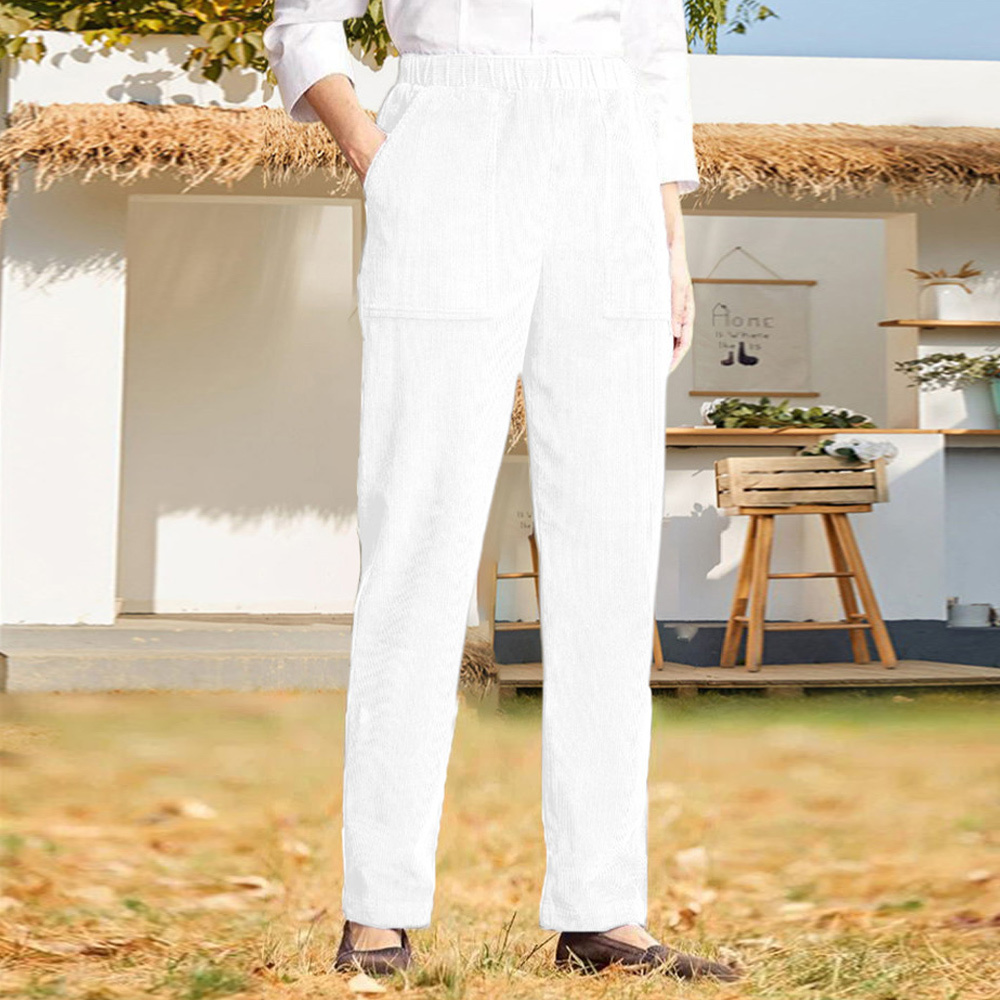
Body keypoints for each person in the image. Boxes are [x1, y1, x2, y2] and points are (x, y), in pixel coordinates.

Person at [263, 0, 739, 982]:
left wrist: (670, 243)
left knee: (609, 547)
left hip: (612, 164)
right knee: (417, 535)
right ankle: (378, 906)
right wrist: (376, 154)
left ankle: (603, 911)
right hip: (448, 132)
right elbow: (303, 18)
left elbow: (654, 55)